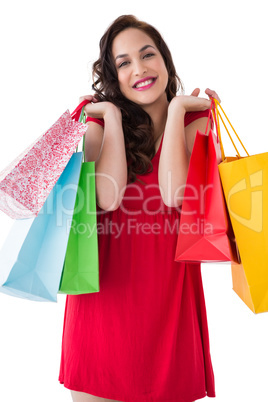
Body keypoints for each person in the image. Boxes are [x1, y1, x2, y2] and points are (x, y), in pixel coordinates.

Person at [59, 14, 220, 402]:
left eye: (147, 55)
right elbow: (108, 197)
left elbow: (174, 194)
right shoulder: (97, 122)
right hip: (102, 308)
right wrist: (112, 118)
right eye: (124, 62)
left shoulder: (196, 119)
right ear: (114, 76)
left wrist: (179, 109)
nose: (140, 69)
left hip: (169, 311)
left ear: (165, 60)